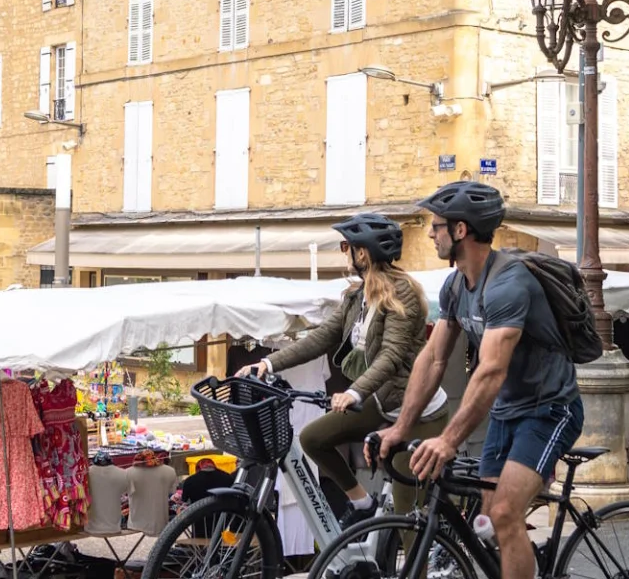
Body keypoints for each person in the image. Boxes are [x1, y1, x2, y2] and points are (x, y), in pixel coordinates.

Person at [373, 181, 582, 579]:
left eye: (436, 226)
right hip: (506, 411)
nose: (431, 234)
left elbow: (491, 370)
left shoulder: (508, 284)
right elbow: (433, 358)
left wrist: (448, 440)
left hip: (550, 409)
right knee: (486, 519)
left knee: (504, 513)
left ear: (460, 230)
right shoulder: (455, 286)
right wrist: (400, 427)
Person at [236, 212, 437, 523]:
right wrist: (268, 363)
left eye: (347, 246)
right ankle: (361, 503)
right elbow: (321, 338)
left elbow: (391, 355)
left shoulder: (402, 294)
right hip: (382, 399)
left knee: (408, 517)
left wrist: (354, 393)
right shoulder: (357, 296)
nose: (344, 253)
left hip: (417, 409)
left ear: (364, 252)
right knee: (313, 438)